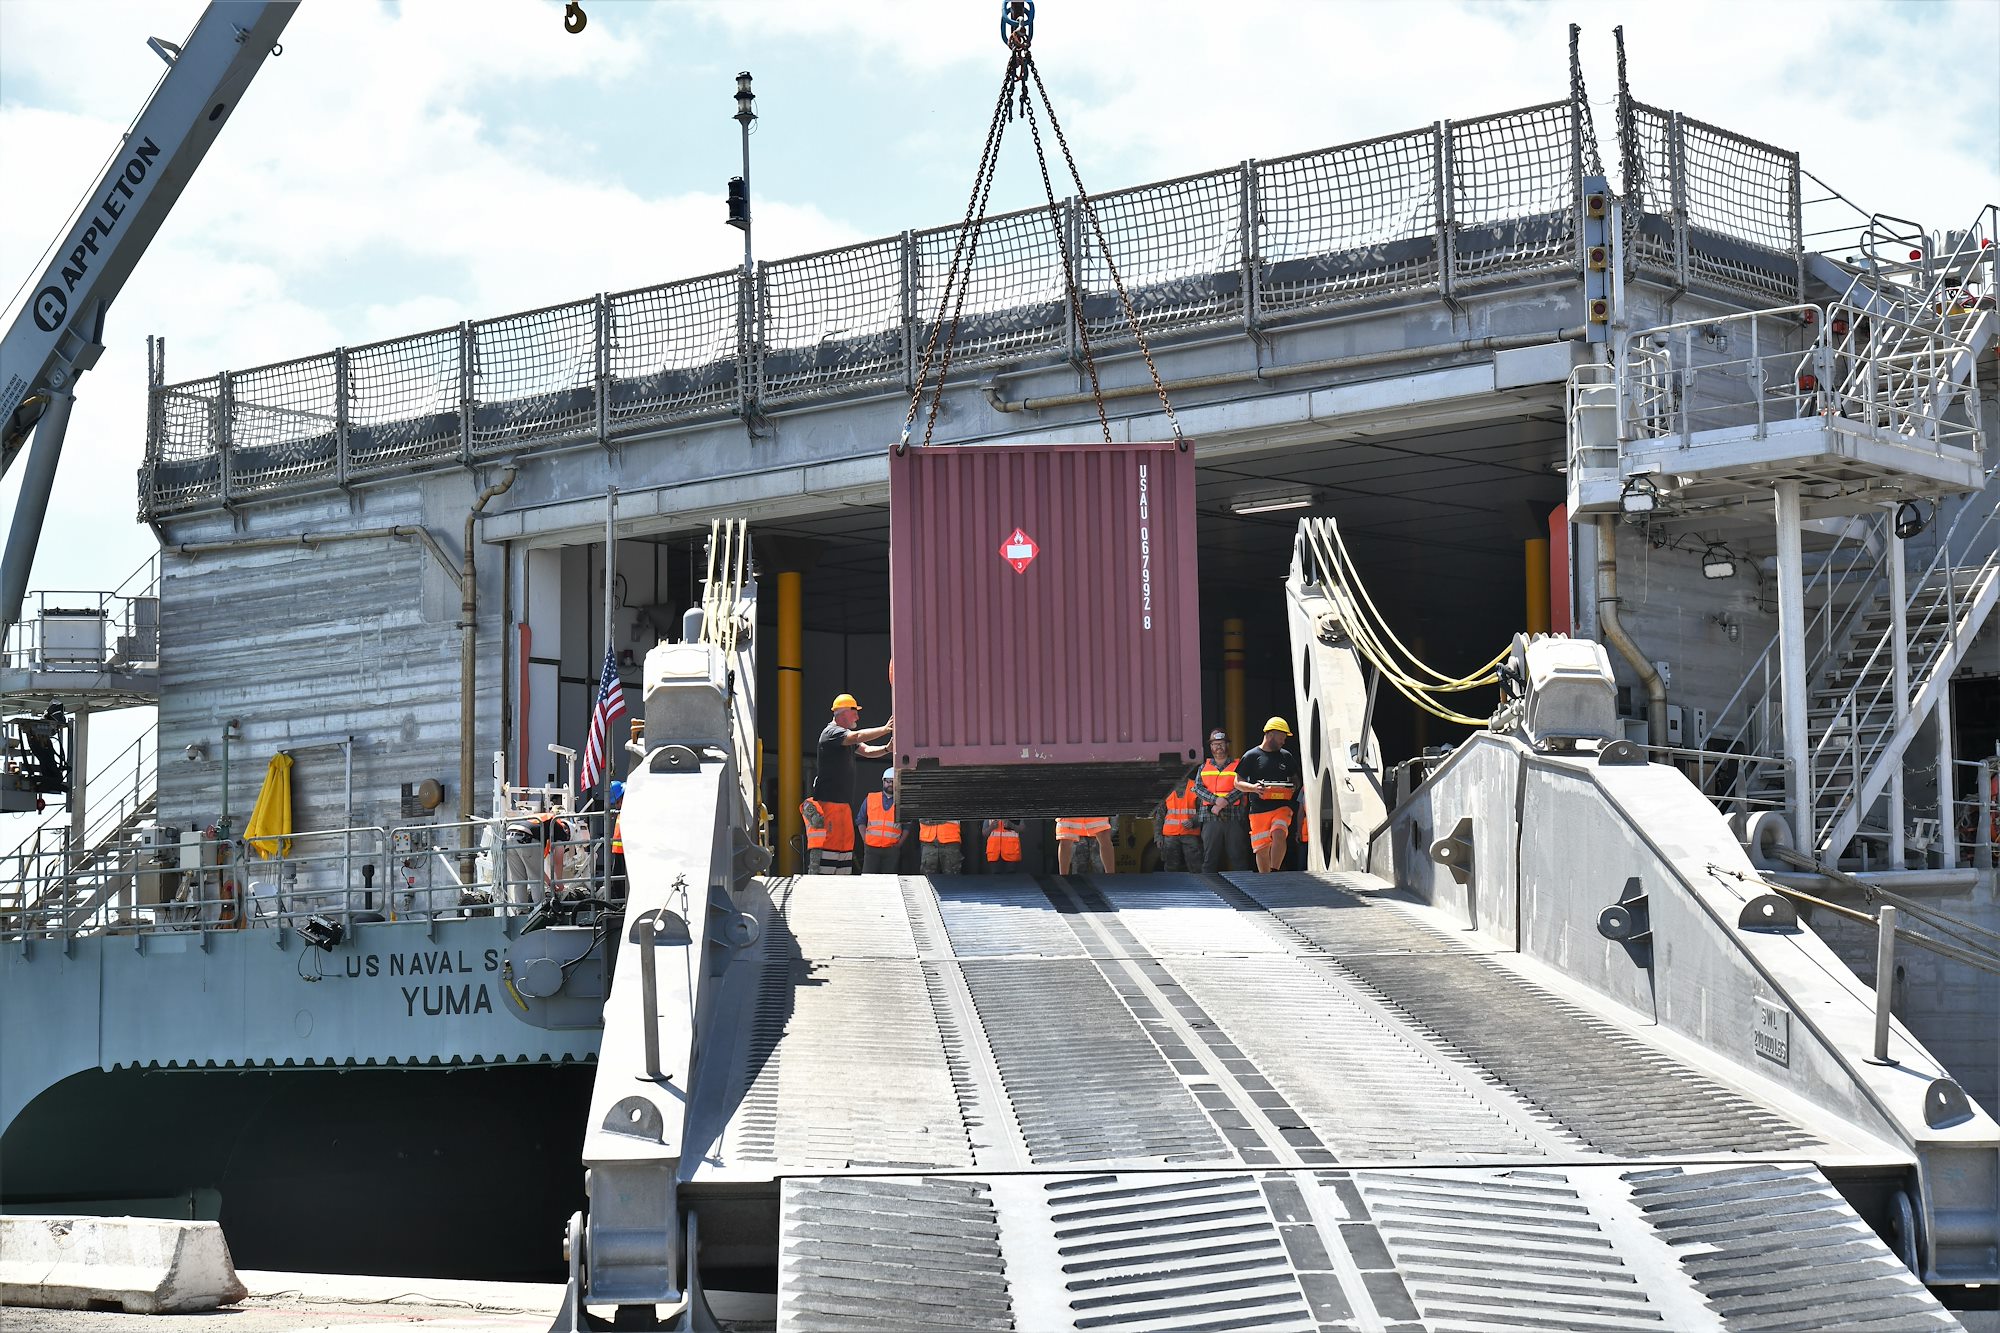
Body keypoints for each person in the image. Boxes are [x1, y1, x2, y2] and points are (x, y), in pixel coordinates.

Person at [802, 692, 892, 875]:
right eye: (855, 712)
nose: (858, 716)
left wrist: (887, 749)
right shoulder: (831, 733)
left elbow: (866, 750)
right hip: (829, 807)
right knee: (829, 857)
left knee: (843, 858)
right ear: (843, 713)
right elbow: (857, 736)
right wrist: (885, 729)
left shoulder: (843, 737)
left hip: (841, 807)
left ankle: (839, 890)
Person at [1236, 717, 1303, 873]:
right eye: (1282, 737)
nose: (1284, 741)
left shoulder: (1286, 756)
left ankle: (1275, 870)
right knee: (1261, 847)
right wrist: (1253, 788)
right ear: (1271, 734)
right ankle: (1265, 878)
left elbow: (1296, 780)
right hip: (1258, 810)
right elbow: (1237, 782)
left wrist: (1293, 787)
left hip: (1281, 807)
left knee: (1279, 832)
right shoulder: (1251, 756)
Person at [1196, 729, 1250, 873]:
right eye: (1215, 744)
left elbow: (1243, 787)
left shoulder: (1239, 765)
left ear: (1227, 745)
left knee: (1238, 857)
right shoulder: (1203, 767)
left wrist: (1225, 801)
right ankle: (1208, 892)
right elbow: (1198, 788)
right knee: (1209, 859)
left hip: (1234, 817)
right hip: (1210, 817)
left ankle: (1244, 888)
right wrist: (1216, 800)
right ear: (1211, 747)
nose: (1218, 747)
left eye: (1221, 743)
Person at [860, 770, 907, 874]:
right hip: (871, 849)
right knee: (869, 880)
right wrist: (865, 839)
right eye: (888, 781)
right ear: (883, 782)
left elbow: (907, 826)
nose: (890, 784)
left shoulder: (902, 801)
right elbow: (861, 821)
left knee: (889, 881)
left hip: (892, 850)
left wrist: (899, 844)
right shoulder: (871, 798)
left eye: (893, 781)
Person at [1152, 774, 1202, 872]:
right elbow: (1160, 814)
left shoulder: (1196, 786)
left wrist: (1193, 821)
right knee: (1171, 867)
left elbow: (1203, 811)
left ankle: (1198, 886)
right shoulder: (1166, 788)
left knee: (1196, 867)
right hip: (1170, 836)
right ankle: (1171, 886)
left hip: (1190, 834)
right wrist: (1158, 836)